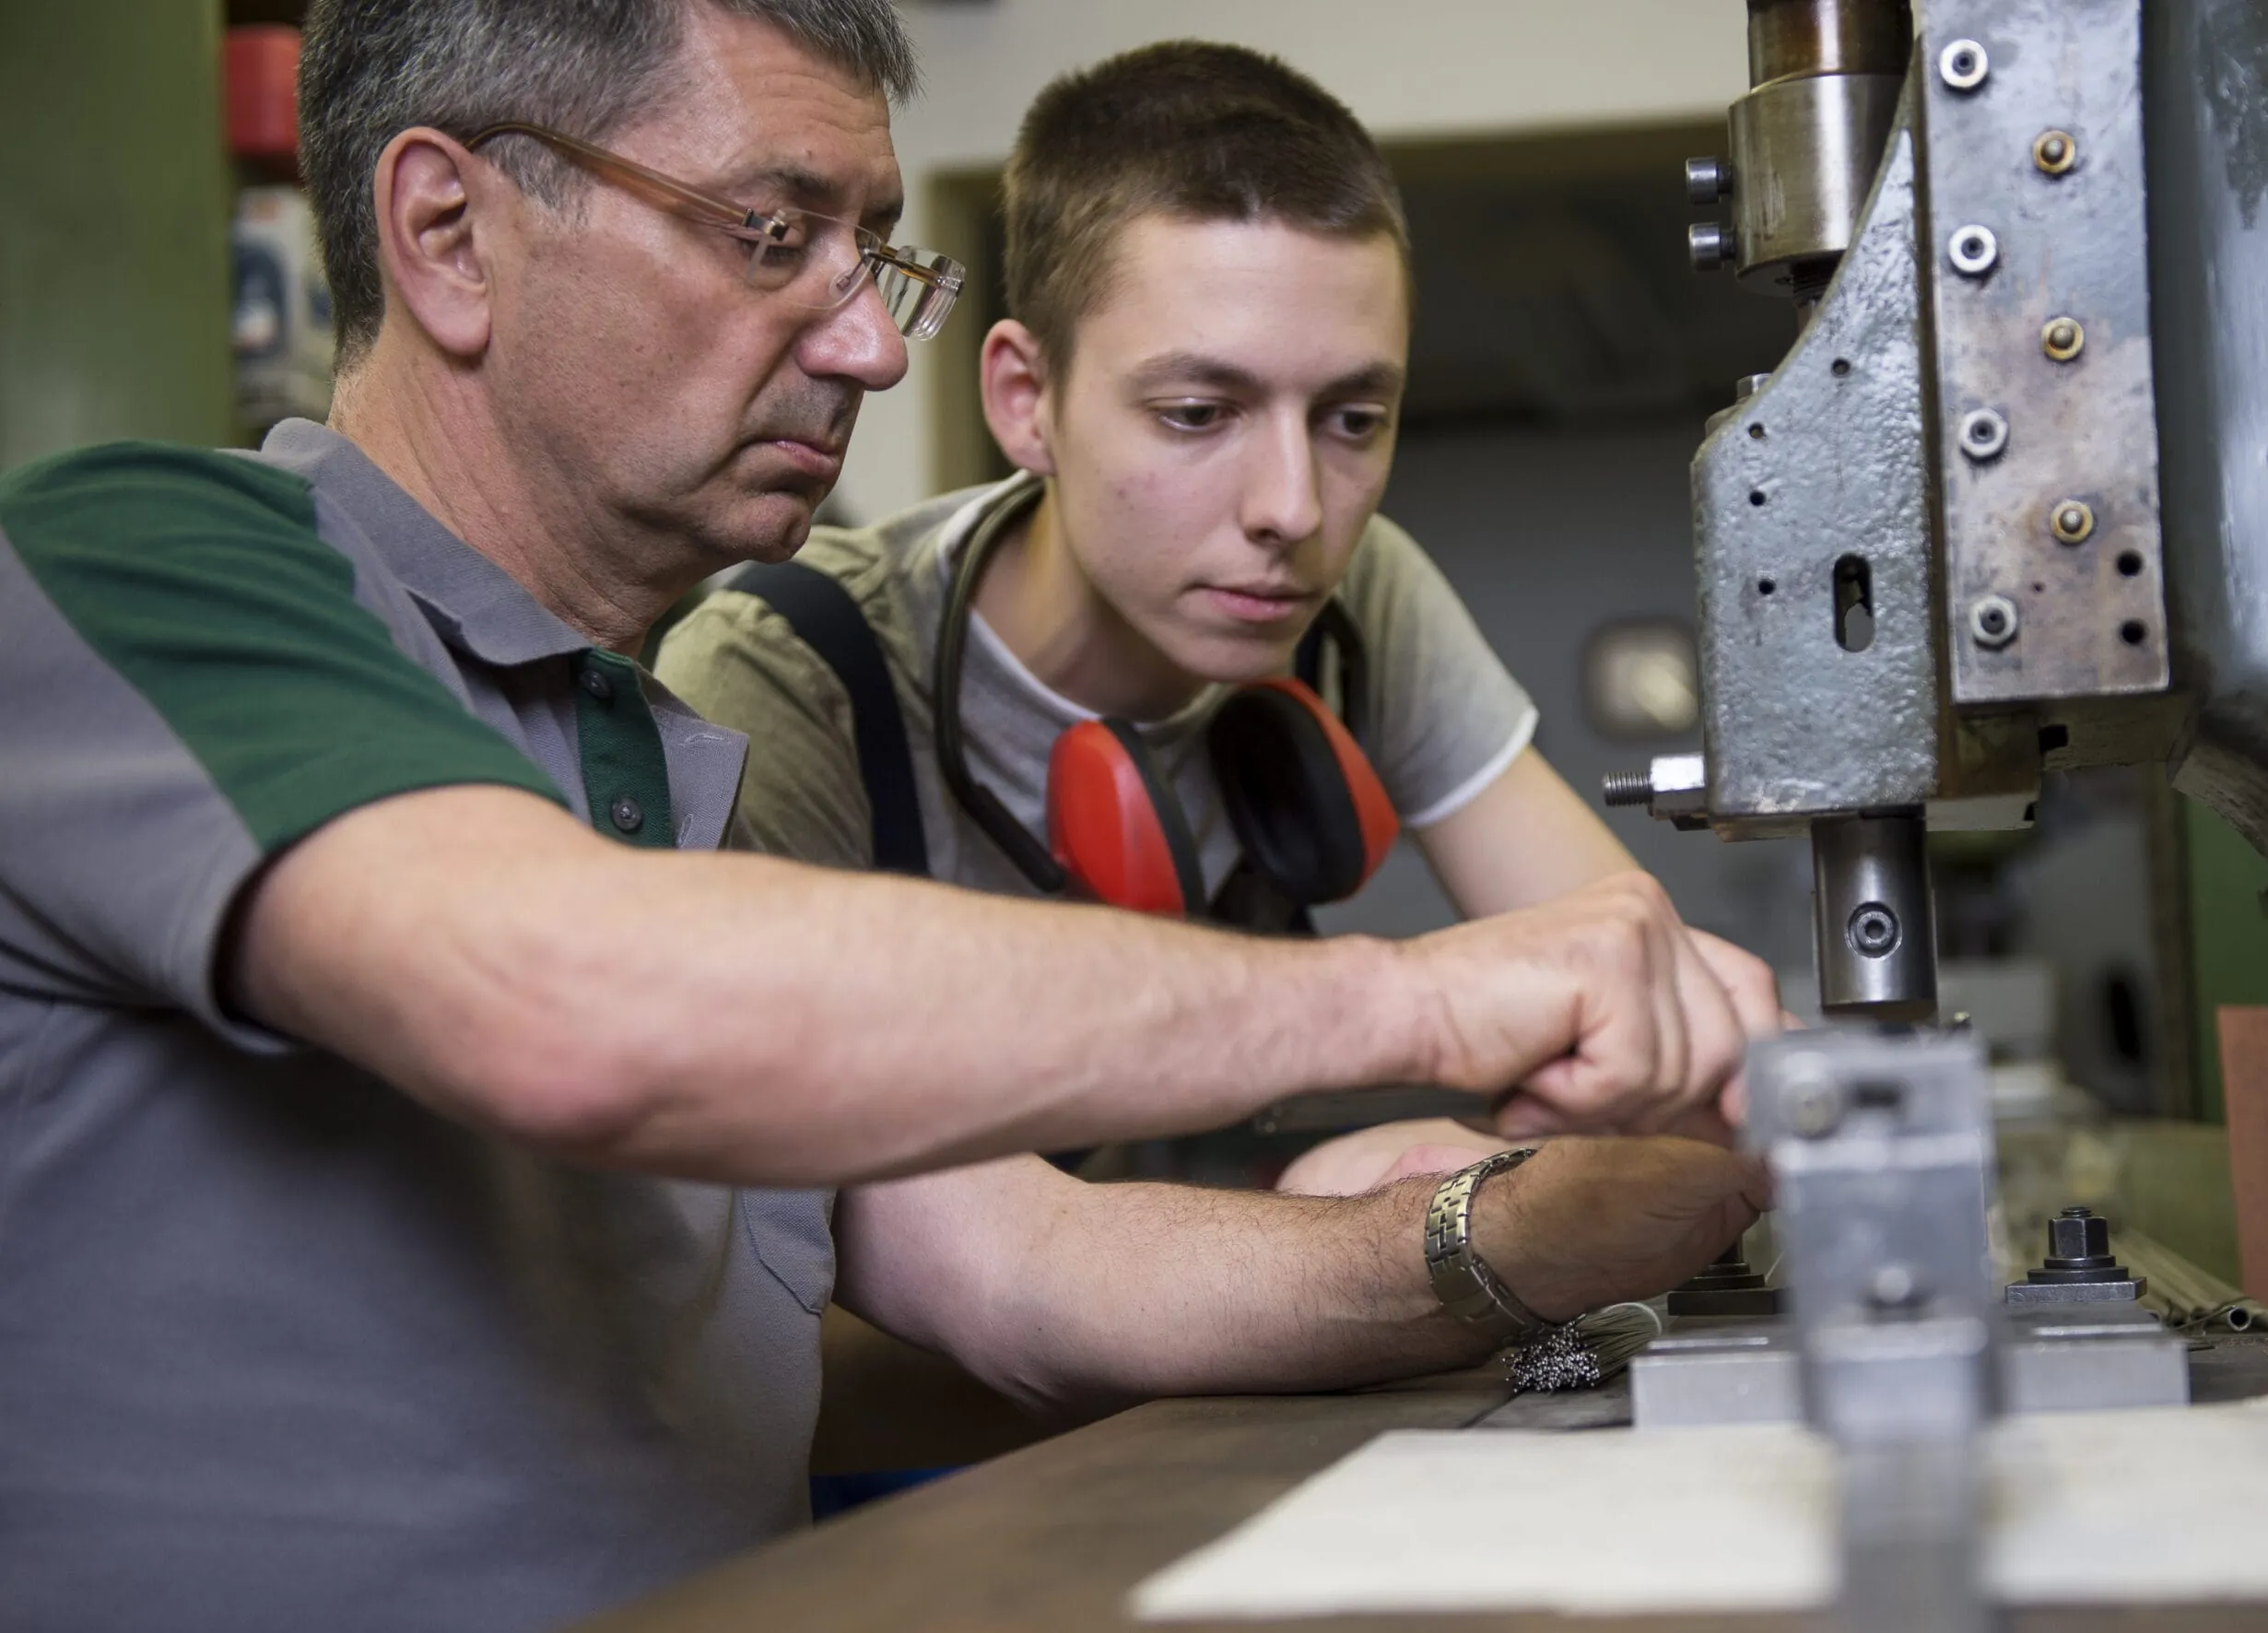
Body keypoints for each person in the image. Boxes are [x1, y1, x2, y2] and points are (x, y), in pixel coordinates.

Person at [0, 5, 1769, 1630]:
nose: (859, 344)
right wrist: (1430, 999)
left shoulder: (675, 771)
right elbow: (582, 1013)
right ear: (452, 235)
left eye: (872, 258)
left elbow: (1034, 1268)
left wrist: (1540, 1230)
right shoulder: (145, 565)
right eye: (775, 237)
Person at [655, 41, 1779, 1196]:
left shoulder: (1358, 595)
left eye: (1351, 417)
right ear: (1025, 401)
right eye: (1199, 412)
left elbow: (1649, 1033)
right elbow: (793, 1295)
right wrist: (1317, 1215)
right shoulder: (785, 680)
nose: (1292, 510)